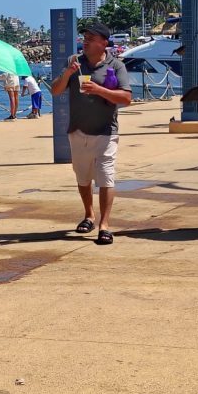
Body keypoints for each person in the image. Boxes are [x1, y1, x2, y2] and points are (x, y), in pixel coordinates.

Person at [49, 21, 132, 245]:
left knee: (106, 177)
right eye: (84, 38)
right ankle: (89, 215)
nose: (85, 42)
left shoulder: (116, 66)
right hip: (78, 131)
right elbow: (55, 90)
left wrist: (99, 90)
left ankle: (104, 225)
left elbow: (126, 98)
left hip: (106, 131)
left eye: (90, 39)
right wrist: (68, 73)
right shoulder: (74, 62)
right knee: (83, 177)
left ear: (103, 43)